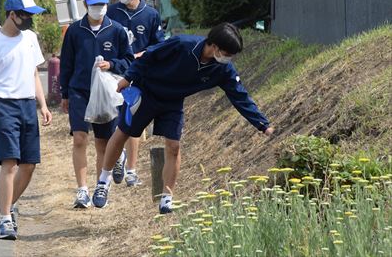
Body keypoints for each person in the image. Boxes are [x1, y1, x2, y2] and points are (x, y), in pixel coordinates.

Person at [92, 22, 275, 213]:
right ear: (214, 46)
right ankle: (103, 182)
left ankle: (167, 197)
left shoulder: (223, 70)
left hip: (173, 102)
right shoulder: (181, 44)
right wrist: (127, 78)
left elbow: (240, 97)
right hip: (147, 92)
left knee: (174, 146)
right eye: (227, 53)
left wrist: (263, 125)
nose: (228, 59)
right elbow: (147, 57)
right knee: (123, 133)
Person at [0, 0, 52, 240]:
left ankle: (4, 206)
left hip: (28, 105)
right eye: (25, 15)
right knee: (10, 164)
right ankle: (6, 219)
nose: (29, 19)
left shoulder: (30, 38)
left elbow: (33, 74)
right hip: (3, 106)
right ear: (11, 15)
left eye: (31, 14)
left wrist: (43, 105)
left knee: (29, 166)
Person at [60, 0, 134, 209]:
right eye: (94, 5)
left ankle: (101, 185)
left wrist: (111, 64)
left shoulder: (117, 30)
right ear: (86, 5)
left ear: (107, 5)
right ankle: (82, 190)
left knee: (103, 142)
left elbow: (129, 61)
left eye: (102, 5)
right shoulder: (75, 30)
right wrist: (65, 93)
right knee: (80, 138)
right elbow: (66, 64)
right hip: (79, 91)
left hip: (106, 93)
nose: (98, 9)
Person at [107, 0, 166, 187]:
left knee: (135, 121)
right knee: (115, 121)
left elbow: (159, 44)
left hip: (140, 75)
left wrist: (143, 54)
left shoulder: (150, 15)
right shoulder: (112, 12)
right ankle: (119, 157)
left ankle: (131, 169)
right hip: (114, 73)